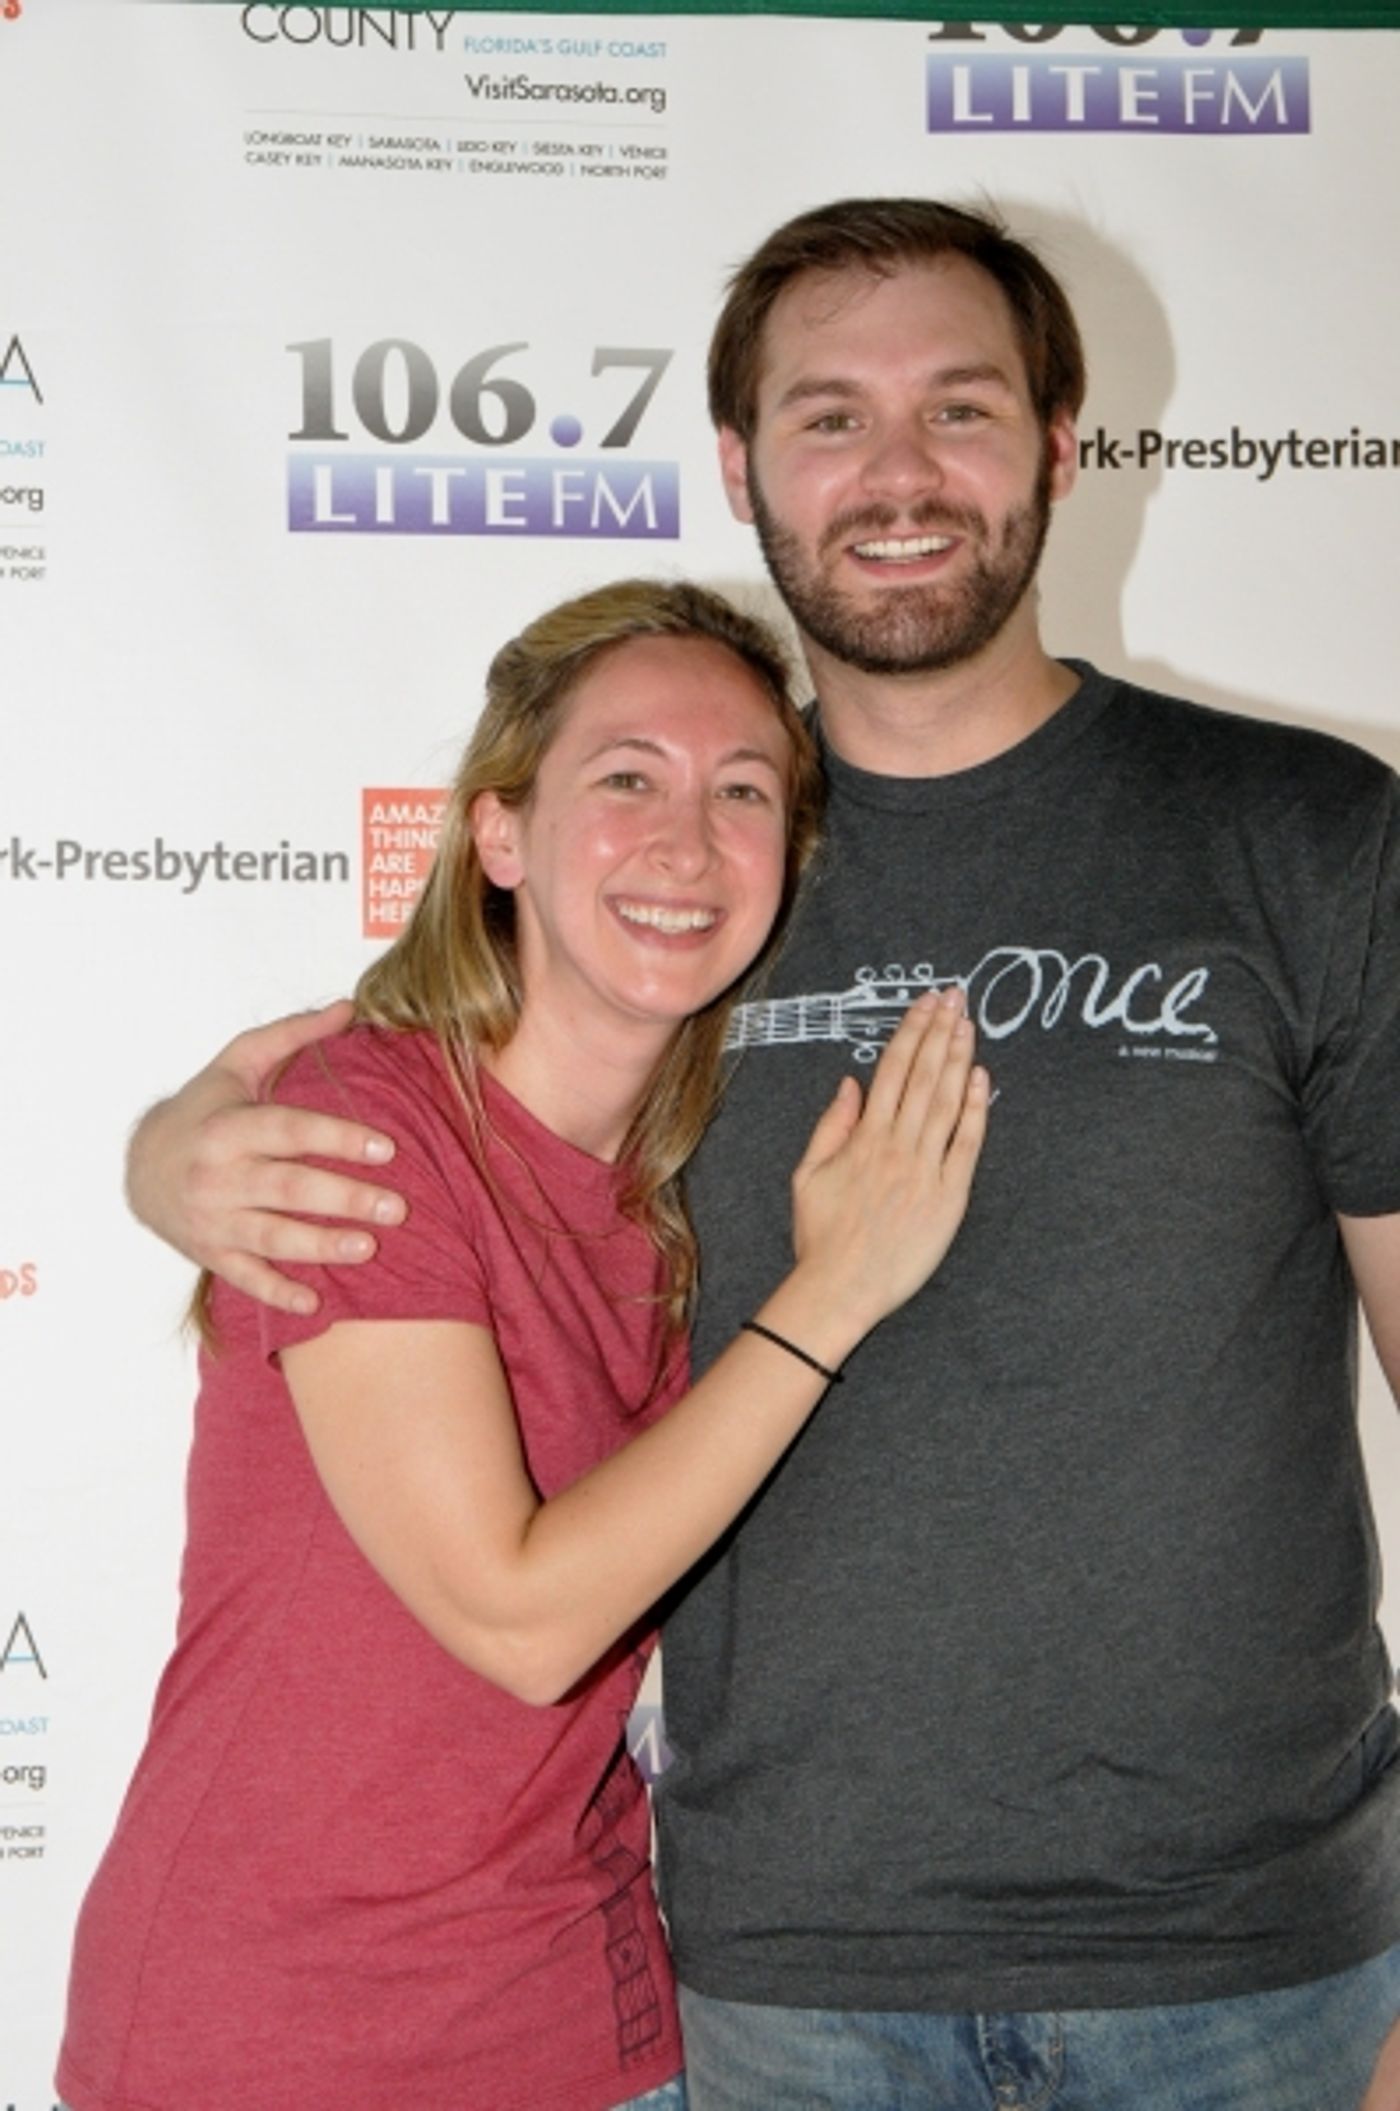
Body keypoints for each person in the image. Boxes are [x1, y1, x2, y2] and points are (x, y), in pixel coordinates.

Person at [123, 200, 1400, 2110]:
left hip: (1266, 1976)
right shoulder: (684, 872)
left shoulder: (1308, 838)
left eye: (961, 410)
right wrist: (165, 1156)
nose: (897, 474)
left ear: (1062, 445)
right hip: (783, 1997)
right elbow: (419, 1118)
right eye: (827, 419)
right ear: (741, 467)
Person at [58, 576, 989, 2111]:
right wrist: (833, 1294)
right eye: (627, 776)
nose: (687, 842)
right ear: (501, 835)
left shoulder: (707, 1181)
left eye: (741, 791)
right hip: (274, 2041)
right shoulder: (374, 1119)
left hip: (592, 2033)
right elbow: (520, 1617)